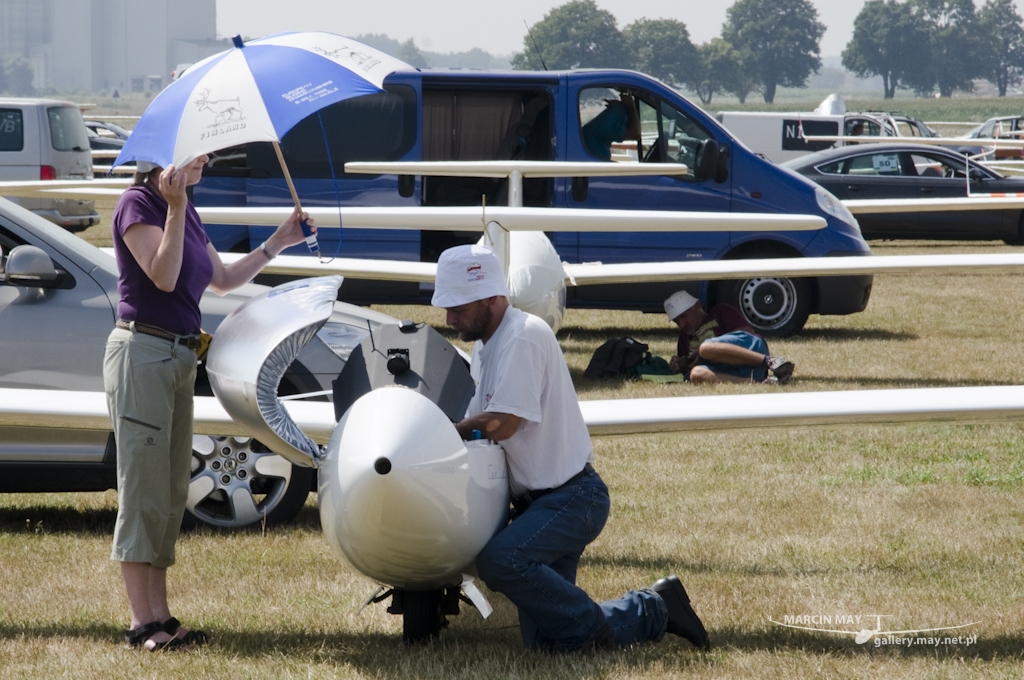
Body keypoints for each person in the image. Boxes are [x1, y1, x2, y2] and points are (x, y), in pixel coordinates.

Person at [433, 244, 709, 652]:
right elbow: (481, 429)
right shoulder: (487, 346)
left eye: (457, 307)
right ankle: (656, 607)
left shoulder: (522, 337)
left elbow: (502, 424)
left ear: (490, 297)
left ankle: (630, 616)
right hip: (543, 504)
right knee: (552, 642)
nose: (449, 318)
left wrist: (444, 431)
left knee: (501, 560)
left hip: (572, 500)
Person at [103, 157, 314, 651]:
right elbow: (163, 276)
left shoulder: (184, 209)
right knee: (143, 490)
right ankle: (141, 623)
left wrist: (279, 241)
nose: (206, 160)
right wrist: (175, 207)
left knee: (171, 489)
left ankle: (160, 615)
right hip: (142, 355)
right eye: (198, 152)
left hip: (177, 358)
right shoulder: (138, 204)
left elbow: (221, 278)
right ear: (165, 158)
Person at [664, 290, 794, 385]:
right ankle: (762, 382)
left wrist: (708, 351)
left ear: (697, 307)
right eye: (677, 321)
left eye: (684, 316)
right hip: (734, 372)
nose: (682, 324)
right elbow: (689, 369)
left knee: (705, 348)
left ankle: (772, 362)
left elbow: (746, 332)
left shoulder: (720, 311)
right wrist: (681, 366)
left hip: (753, 354)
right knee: (696, 374)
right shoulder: (684, 337)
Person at [581, 94, 641, 161]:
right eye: (626, 123)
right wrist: (631, 106)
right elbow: (635, 134)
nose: (625, 127)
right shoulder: (603, 129)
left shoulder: (592, 130)